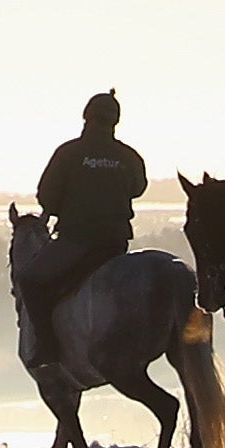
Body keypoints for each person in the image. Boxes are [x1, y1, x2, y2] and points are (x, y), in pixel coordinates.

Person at [20, 90, 144, 334]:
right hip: (116, 241)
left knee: (29, 280)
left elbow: (47, 196)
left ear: (86, 116)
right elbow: (138, 188)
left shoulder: (68, 153)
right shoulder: (128, 156)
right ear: (115, 121)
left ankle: (46, 347)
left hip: (77, 240)